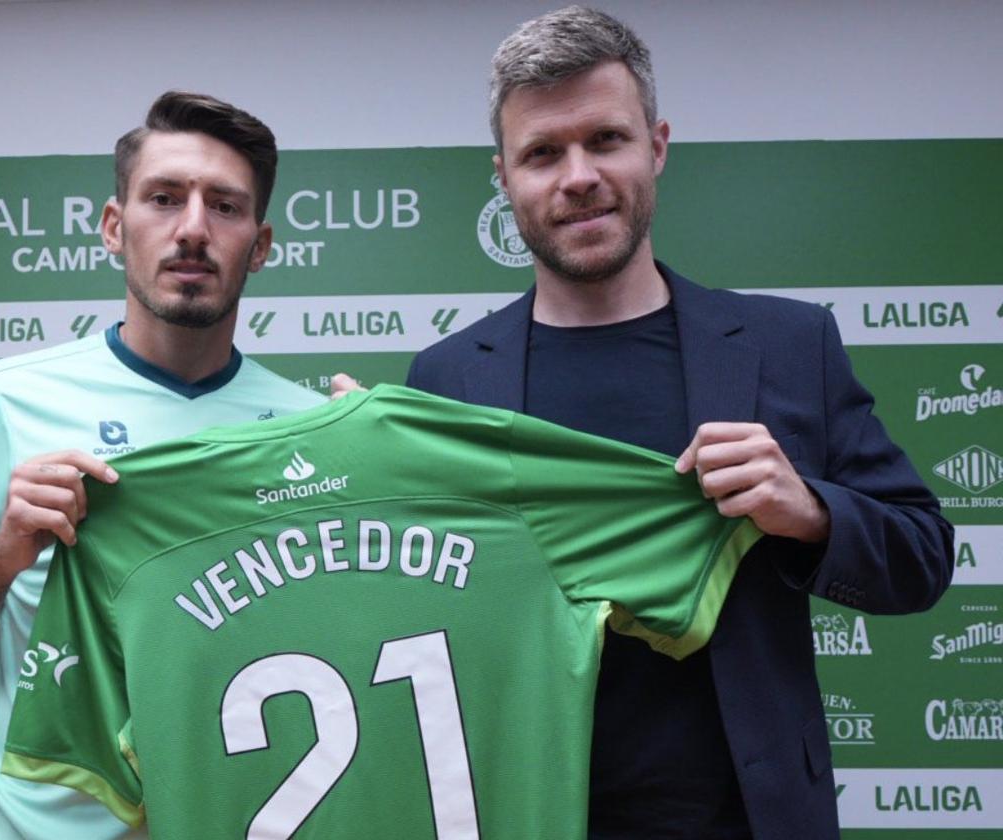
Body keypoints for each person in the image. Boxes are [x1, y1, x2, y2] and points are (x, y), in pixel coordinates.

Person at [404, 7, 954, 840]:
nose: (578, 175)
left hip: (748, 819)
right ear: (505, 178)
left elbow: (924, 558)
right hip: (525, 813)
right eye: (543, 153)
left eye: (607, 140)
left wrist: (807, 514)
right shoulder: (443, 380)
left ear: (657, 146)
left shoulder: (788, 345)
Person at [0, 90, 324, 840]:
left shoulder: (309, 432)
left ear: (260, 245)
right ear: (114, 228)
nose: (192, 229)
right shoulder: (8, 396)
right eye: (164, 199)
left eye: (224, 206)